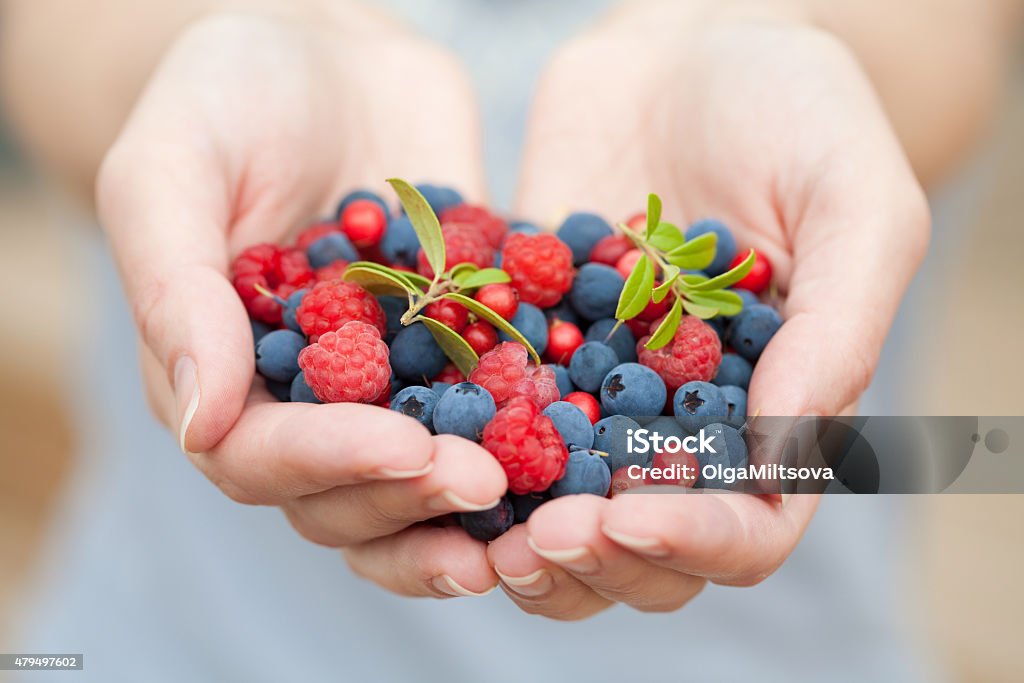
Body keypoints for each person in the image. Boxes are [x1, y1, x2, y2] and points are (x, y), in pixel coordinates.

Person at [2, 0, 1020, 680]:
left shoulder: (621, 336)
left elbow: (946, 36)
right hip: (188, 639)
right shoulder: (382, 316)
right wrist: (196, 56)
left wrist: (803, 43)